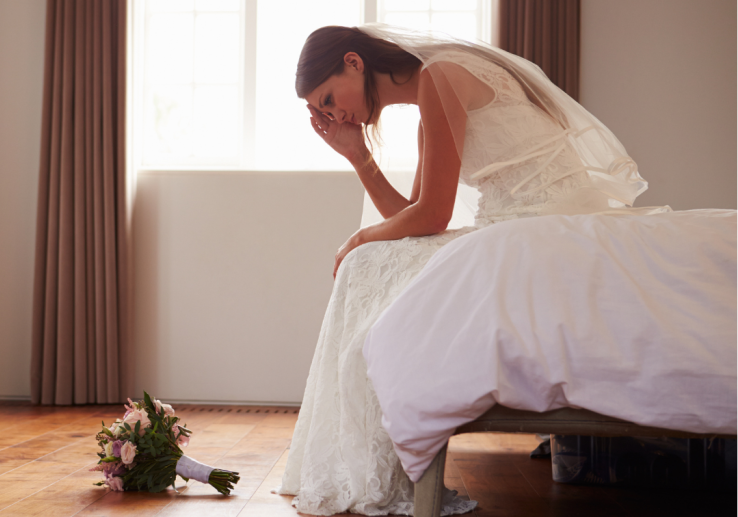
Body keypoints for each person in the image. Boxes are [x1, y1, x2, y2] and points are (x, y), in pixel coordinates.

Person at [277, 24, 657, 516]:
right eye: (324, 112)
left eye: (329, 98)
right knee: (369, 263)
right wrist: (359, 156)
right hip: (516, 227)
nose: (335, 113)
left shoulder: (441, 76)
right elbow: (416, 217)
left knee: (365, 260)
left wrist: (358, 237)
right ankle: (377, 454)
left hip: (544, 226)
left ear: (354, 62)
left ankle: (383, 458)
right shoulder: (431, 92)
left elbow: (431, 215)